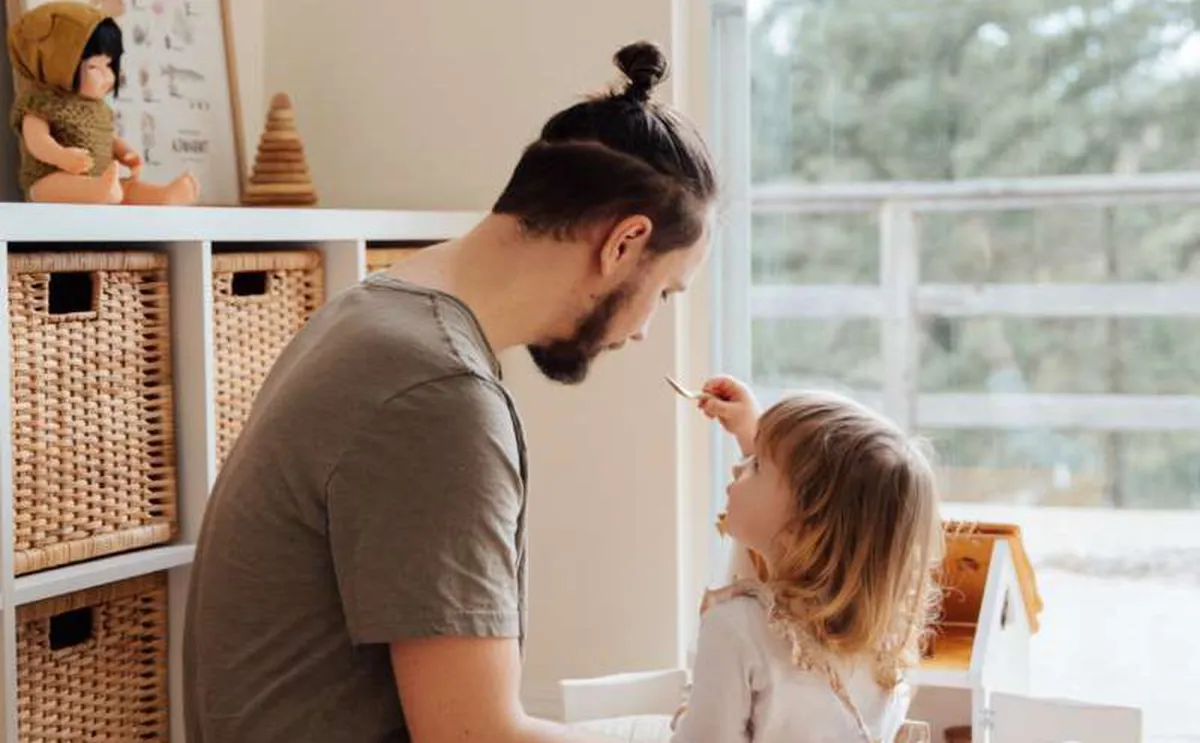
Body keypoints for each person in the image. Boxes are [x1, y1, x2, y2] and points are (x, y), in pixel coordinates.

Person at [182, 40, 717, 743]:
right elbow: (474, 735)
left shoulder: (376, 310)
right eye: (666, 291)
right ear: (624, 243)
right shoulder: (437, 395)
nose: (647, 328)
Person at [667, 376, 944, 742]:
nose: (738, 468)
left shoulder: (734, 629)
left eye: (757, 466)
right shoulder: (878, 644)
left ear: (808, 525)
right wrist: (755, 439)